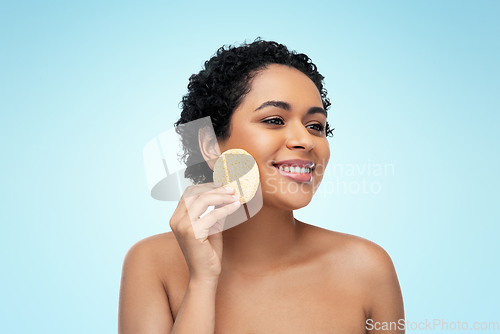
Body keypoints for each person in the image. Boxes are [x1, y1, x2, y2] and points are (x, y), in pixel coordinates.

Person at [118, 39, 405, 333]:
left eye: (315, 126)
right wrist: (202, 281)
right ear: (210, 145)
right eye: (274, 120)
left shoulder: (367, 268)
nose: (305, 140)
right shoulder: (151, 264)